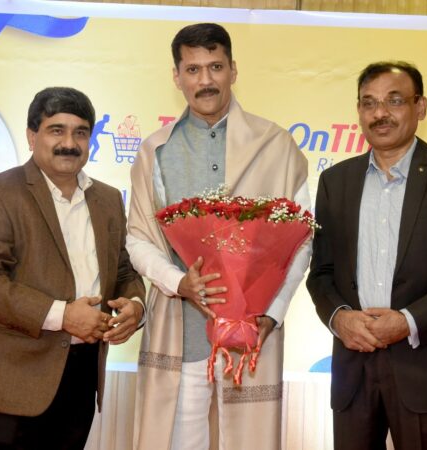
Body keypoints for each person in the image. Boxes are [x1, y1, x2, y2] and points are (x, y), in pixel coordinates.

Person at [127, 23, 310, 450]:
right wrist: (179, 283)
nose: (205, 80)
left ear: (233, 70)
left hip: (254, 332)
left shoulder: (275, 145)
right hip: (180, 332)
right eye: (193, 69)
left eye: (215, 67)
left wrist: (272, 314)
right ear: (176, 77)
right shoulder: (156, 151)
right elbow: (137, 238)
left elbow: (302, 239)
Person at [306, 61, 427, 450]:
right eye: (369, 103)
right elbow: (321, 273)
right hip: (354, 365)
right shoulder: (335, 181)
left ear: (420, 107)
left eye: (394, 101)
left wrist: (408, 321)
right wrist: (340, 319)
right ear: (359, 111)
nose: (380, 113)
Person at [0, 87, 146, 450]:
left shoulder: (107, 199)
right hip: (12, 378)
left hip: (82, 373)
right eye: (57, 130)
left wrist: (135, 306)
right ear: (31, 136)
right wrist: (63, 315)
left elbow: (123, 271)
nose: (69, 143)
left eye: (80, 132)